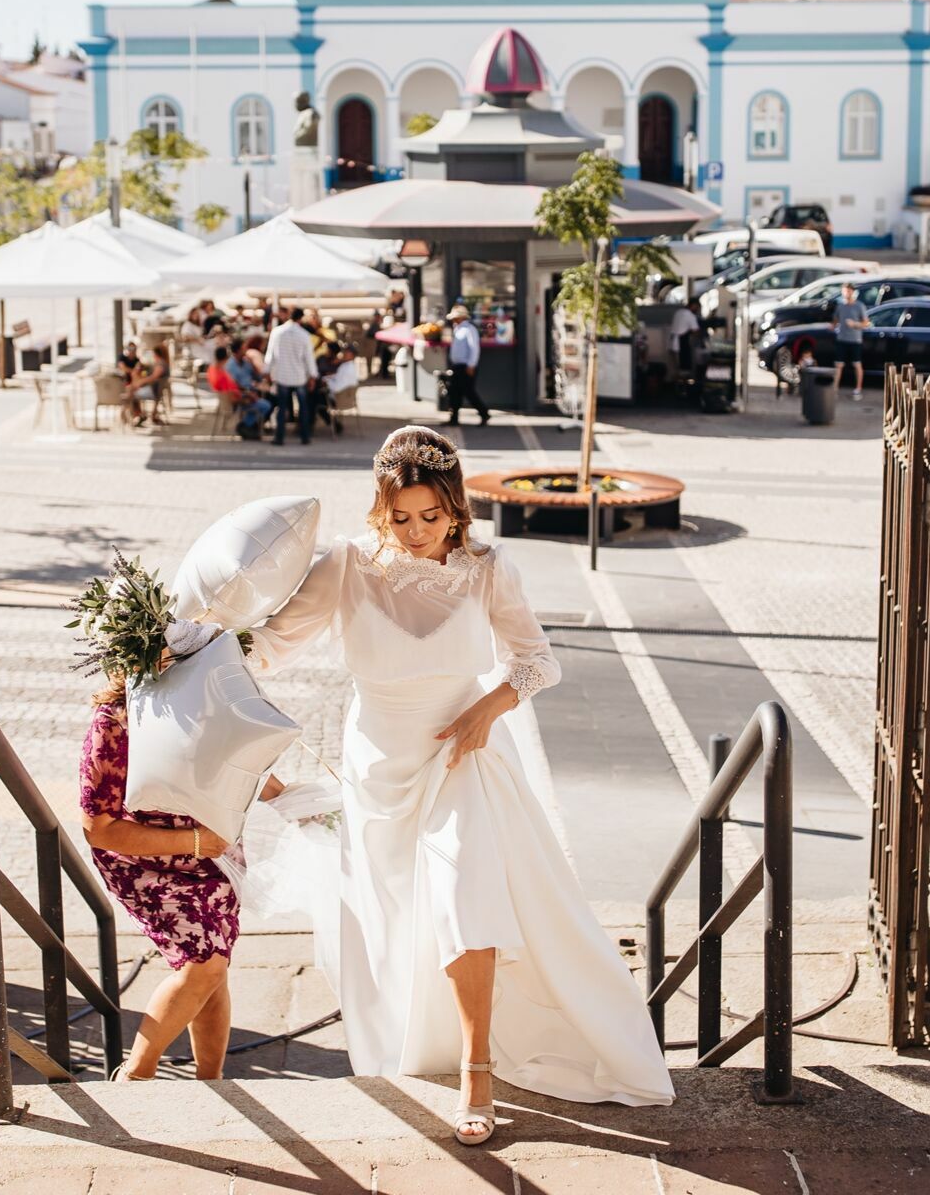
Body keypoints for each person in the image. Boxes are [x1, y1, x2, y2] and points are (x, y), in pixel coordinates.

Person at [247, 427, 674, 1143]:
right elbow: (269, 646)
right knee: (399, 920)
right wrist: (189, 653)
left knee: (462, 892)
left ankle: (477, 1069)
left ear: (455, 508)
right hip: (380, 761)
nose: (416, 533)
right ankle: (428, 1043)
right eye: (400, 517)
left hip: (464, 753)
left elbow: (537, 660)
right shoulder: (346, 565)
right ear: (380, 509)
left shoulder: (487, 567)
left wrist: (490, 704)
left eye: (431, 516)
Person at [78, 672, 285, 1081]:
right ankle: (135, 1076)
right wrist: (193, 841)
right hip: (146, 860)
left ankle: (211, 1081)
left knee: (212, 970)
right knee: (204, 965)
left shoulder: (211, 705)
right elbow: (98, 829)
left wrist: (303, 806)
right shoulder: (114, 724)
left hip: (213, 855)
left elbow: (247, 770)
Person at [265, 306, 318, 446]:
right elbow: (309, 358)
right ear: (300, 318)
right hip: (299, 376)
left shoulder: (277, 332)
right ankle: (305, 436)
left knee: (282, 408)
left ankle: (279, 437)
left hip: (282, 375)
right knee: (303, 407)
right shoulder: (304, 335)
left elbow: (270, 355)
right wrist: (312, 376)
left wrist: (267, 372)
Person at [444, 304, 491, 427]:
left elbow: (474, 349)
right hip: (457, 365)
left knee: (468, 391)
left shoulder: (469, 329)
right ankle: (454, 417)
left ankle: (483, 412)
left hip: (465, 366)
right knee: (455, 392)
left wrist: (471, 365)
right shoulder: (457, 329)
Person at [222, 342, 274, 439]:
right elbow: (233, 385)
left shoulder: (246, 362)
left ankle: (255, 424)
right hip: (240, 394)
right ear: (237, 351)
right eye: (243, 349)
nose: (246, 351)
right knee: (266, 405)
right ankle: (246, 424)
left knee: (273, 398)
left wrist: (253, 365)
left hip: (251, 391)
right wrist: (248, 393)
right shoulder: (230, 366)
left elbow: (257, 377)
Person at [832, 281, 870, 401]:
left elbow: (866, 323)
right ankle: (834, 389)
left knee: (857, 364)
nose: (846, 293)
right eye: (844, 291)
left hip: (855, 340)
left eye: (848, 291)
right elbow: (835, 320)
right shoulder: (840, 306)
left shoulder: (859, 306)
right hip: (842, 339)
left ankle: (858, 389)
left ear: (852, 292)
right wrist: (833, 326)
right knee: (838, 365)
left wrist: (855, 324)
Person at [126, 342, 171, 428]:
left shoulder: (160, 365)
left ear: (156, 354)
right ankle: (140, 415)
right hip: (155, 391)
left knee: (131, 393)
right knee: (132, 389)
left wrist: (140, 382)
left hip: (154, 392)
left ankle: (139, 415)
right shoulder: (163, 363)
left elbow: (153, 377)